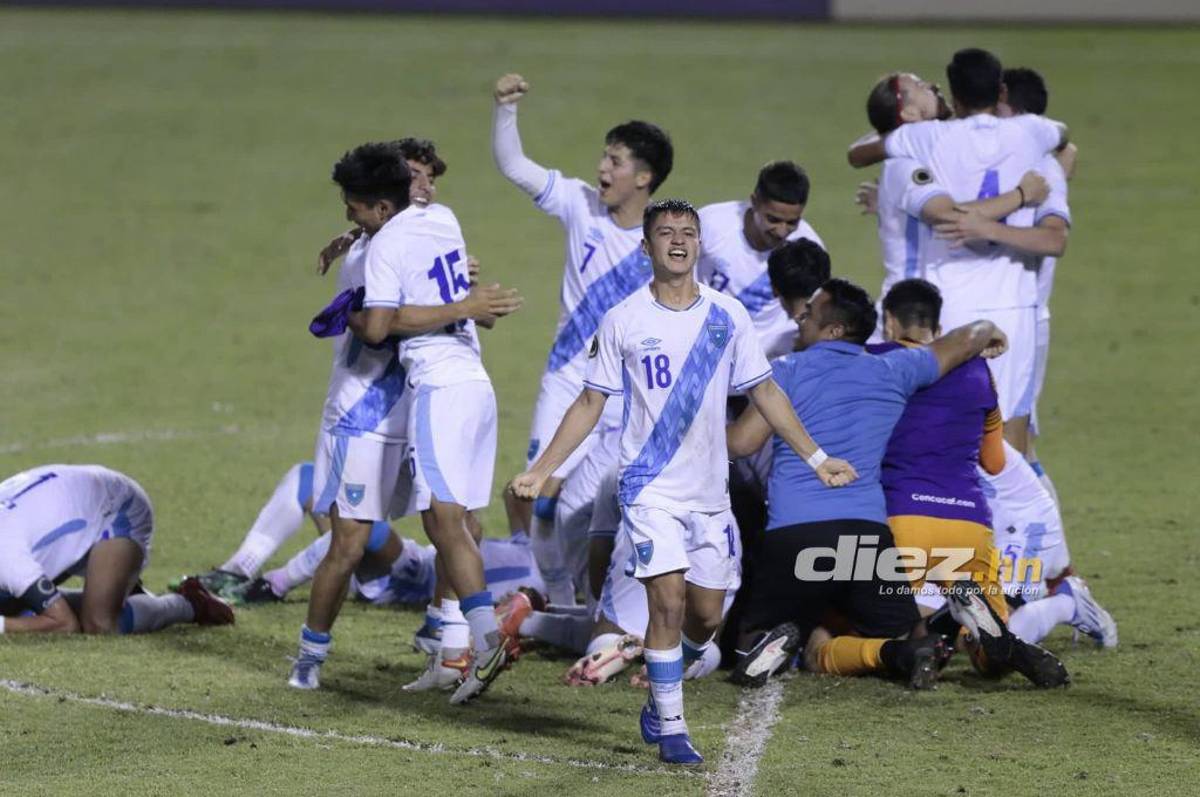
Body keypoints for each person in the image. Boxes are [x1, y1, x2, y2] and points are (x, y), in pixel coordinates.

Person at [512, 199, 855, 765]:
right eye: (666, 232)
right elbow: (591, 402)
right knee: (666, 601)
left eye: (688, 232)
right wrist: (542, 469)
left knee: (706, 617)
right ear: (645, 246)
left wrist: (817, 458)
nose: (678, 240)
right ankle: (672, 728)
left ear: (699, 244)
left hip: (709, 494)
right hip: (649, 488)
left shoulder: (727, 315)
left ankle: (666, 683)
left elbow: (765, 392)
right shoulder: (624, 318)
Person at [727, 278, 1065, 690]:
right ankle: (955, 634)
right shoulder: (900, 370)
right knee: (917, 635)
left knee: (790, 642)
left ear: (837, 328)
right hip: (890, 530)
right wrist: (988, 330)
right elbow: (964, 346)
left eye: (809, 314)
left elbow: (741, 443)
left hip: (813, 529)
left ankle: (791, 644)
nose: (801, 318)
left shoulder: (791, 370)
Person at [289, 143, 521, 697]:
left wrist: (460, 293)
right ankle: (309, 657)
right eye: (415, 177)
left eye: (430, 180)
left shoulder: (425, 227)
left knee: (456, 523)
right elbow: (378, 324)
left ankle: (450, 642)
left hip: (420, 401)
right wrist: (462, 303)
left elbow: (416, 306)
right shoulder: (376, 247)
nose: (425, 188)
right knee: (349, 543)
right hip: (363, 414)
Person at [492, 73, 674, 604]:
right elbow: (513, 165)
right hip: (568, 378)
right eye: (604, 157)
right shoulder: (580, 205)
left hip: (625, 393)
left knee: (597, 506)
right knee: (536, 491)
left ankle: (590, 599)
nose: (602, 169)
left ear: (644, 177)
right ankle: (560, 595)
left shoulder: (665, 240)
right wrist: (506, 109)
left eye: (615, 162)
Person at [849, 49, 1069, 455]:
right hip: (998, 309)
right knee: (1007, 441)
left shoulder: (922, 144)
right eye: (917, 87)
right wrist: (1022, 195)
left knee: (934, 437)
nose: (929, 86)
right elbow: (1063, 141)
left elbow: (858, 154)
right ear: (1000, 91)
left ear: (956, 94)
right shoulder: (1033, 140)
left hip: (939, 306)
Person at [871, 279, 1069, 687]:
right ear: (939, 327)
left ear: (889, 322)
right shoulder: (979, 371)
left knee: (888, 634)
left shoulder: (875, 362)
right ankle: (978, 628)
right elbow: (994, 463)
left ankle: (934, 633)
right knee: (990, 656)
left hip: (902, 518)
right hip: (969, 522)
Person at [0, 465, 232, 635]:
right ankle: (119, 590)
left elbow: (65, 624)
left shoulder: (8, 559)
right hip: (78, 507)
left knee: (99, 623)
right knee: (12, 603)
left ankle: (188, 603)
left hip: (117, 509)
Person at [695, 161, 825, 358]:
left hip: (768, 355)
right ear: (754, 202)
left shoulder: (808, 248)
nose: (782, 231)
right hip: (705, 342)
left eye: (792, 222)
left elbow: (811, 311)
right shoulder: (711, 224)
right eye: (773, 219)